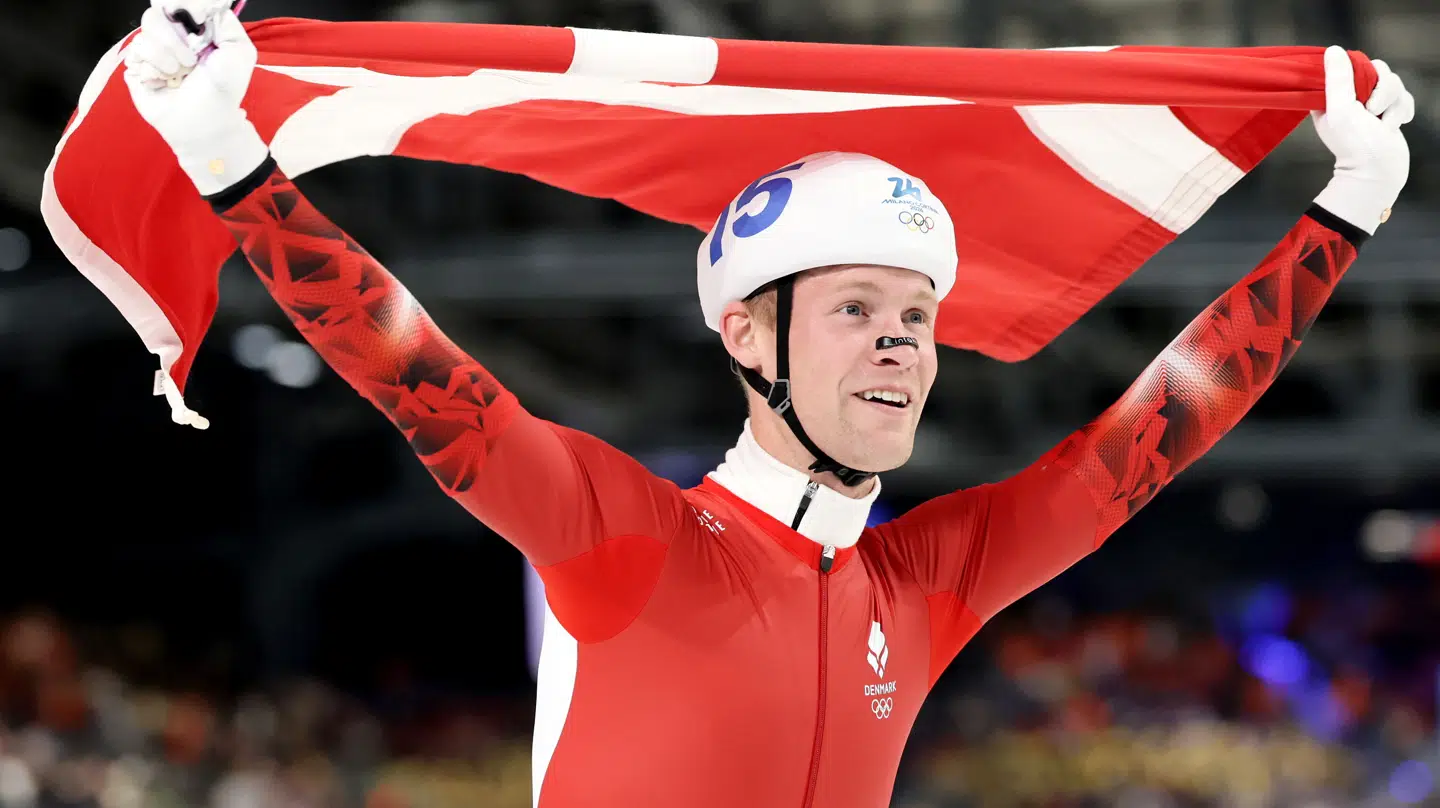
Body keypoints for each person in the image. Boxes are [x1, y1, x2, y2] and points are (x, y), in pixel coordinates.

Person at [120, 2, 1413, 806]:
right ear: (748, 334)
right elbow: (420, 377)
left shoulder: (920, 585)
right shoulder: (628, 539)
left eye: (915, 319)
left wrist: (1339, 215)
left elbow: (1148, 438)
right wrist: (235, 165)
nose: (902, 346)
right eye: (856, 310)